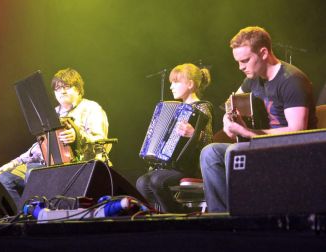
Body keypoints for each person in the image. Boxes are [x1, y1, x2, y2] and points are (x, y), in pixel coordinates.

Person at [200, 26, 317, 213]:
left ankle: (244, 216)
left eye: (245, 60)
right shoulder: (252, 79)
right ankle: (221, 217)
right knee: (210, 152)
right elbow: (230, 103)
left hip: (290, 153)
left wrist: (248, 133)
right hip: (259, 147)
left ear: (263, 53)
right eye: (238, 61)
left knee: (235, 151)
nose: (240, 67)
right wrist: (227, 120)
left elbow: (297, 131)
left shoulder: (292, 80)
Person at [0, 68, 110, 206]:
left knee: (33, 172)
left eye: (67, 86)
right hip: (48, 165)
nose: (62, 91)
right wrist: (14, 162)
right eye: (57, 88)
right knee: (4, 178)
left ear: (78, 89)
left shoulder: (91, 108)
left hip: (79, 166)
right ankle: (22, 216)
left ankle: (38, 216)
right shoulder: (53, 113)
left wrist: (78, 136)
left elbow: (101, 140)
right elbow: (40, 147)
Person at [136, 63, 214, 213]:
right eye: (171, 83)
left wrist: (194, 134)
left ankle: (177, 215)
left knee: (157, 181)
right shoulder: (176, 109)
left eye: (176, 82)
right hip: (171, 166)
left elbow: (209, 142)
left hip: (191, 165)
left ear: (190, 84)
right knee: (142, 182)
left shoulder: (202, 108)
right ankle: (163, 214)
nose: (171, 87)